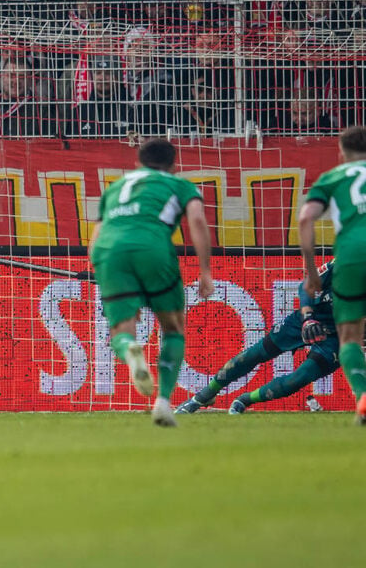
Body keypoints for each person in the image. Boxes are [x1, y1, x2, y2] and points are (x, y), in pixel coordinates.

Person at [89, 138, 214, 426]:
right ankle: (164, 401)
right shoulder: (180, 185)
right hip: (152, 249)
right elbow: (196, 219)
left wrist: (101, 269)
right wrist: (205, 270)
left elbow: (95, 238)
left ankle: (132, 351)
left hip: (109, 252)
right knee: (173, 327)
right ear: (173, 165)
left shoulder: (115, 187)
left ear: (137, 163)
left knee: (121, 329)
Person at [177, 260, 340, 414]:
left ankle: (245, 400)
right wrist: (307, 317)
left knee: (298, 379)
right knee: (256, 353)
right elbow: (307, 285)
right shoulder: (343, 263)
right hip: (307, 321)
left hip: (338, 338)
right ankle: (203, 396)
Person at [298, 125, 366, 424]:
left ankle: (363, 399)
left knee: (350, 337)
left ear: (340, 152)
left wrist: (312, 273)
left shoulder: (332, 178)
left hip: (351, 257)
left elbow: (305, 218)